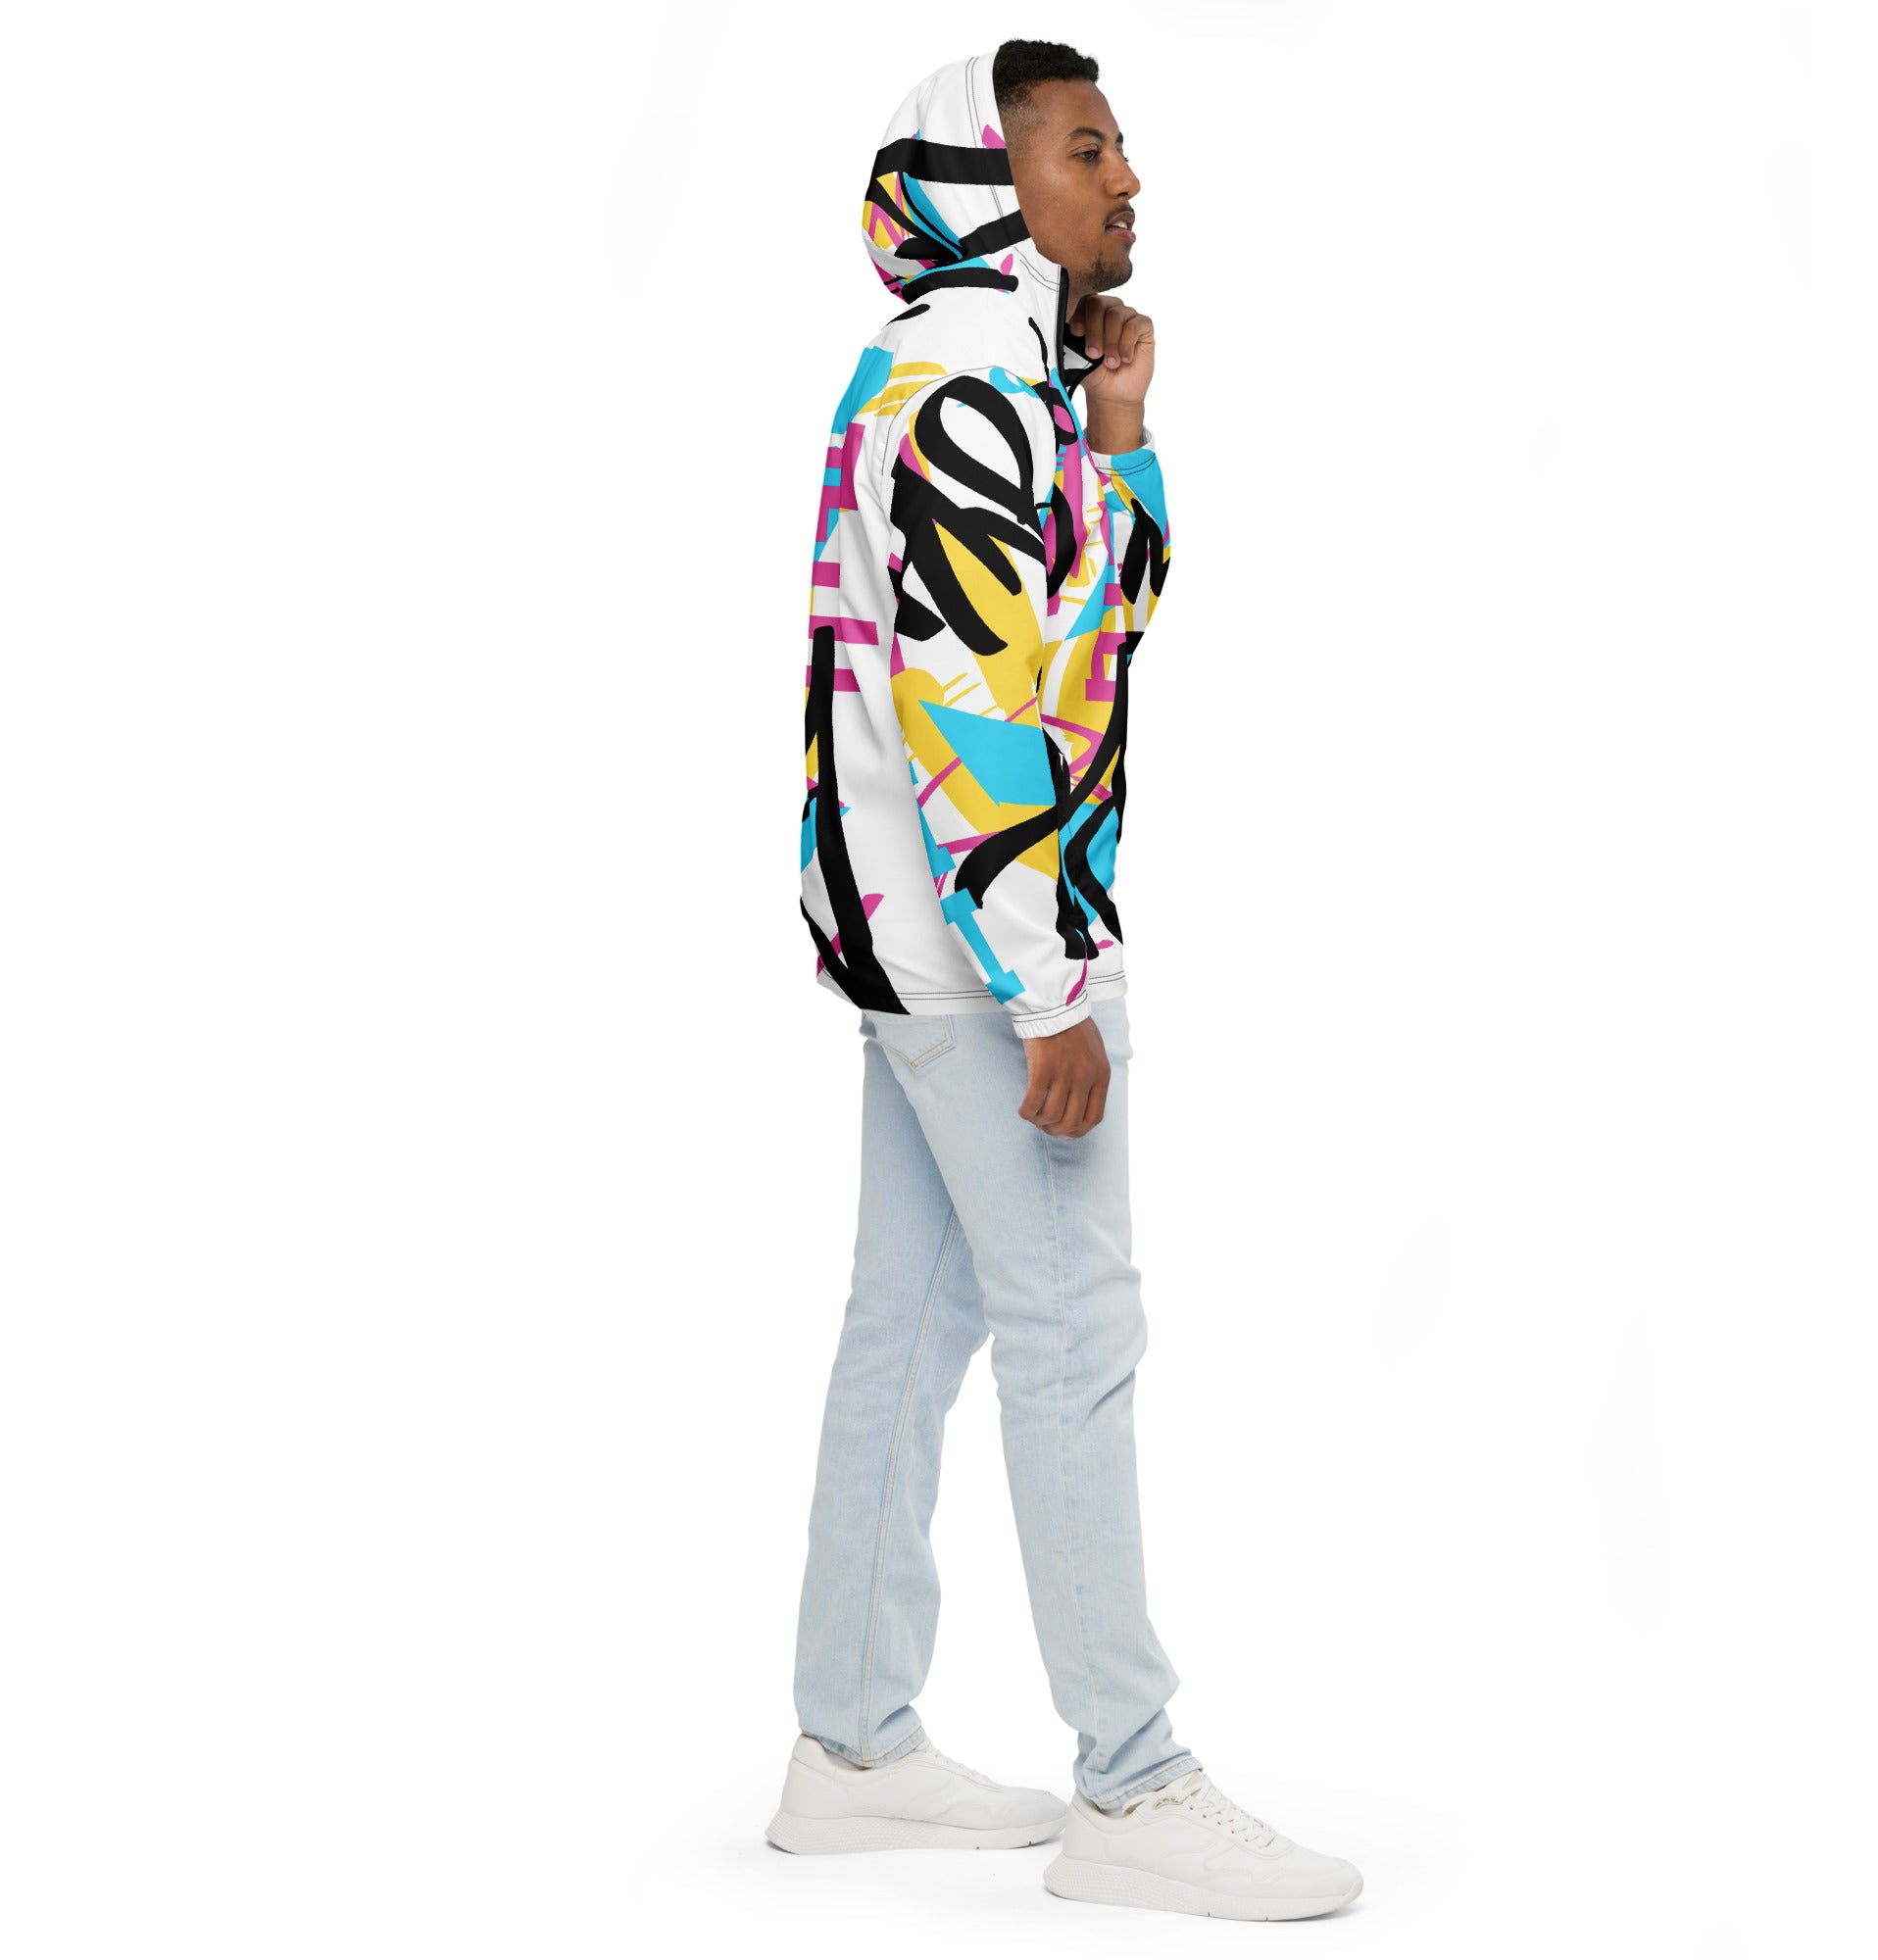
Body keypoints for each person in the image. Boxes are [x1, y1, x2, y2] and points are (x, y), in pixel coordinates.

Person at [776, 41, 1362, 1922]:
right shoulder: (961, 391)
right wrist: (1044, 988)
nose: (1128, 182)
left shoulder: (992, 379)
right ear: (990, 182)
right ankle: (1133, 1778)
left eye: (1122, 149)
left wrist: (1119, 435)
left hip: (926, 932)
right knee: (1073, 1333)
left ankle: (849, 1748)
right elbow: (963, 707)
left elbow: (1090, 644)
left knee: (912, 1321)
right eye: (1090, 149)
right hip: (982, 949)